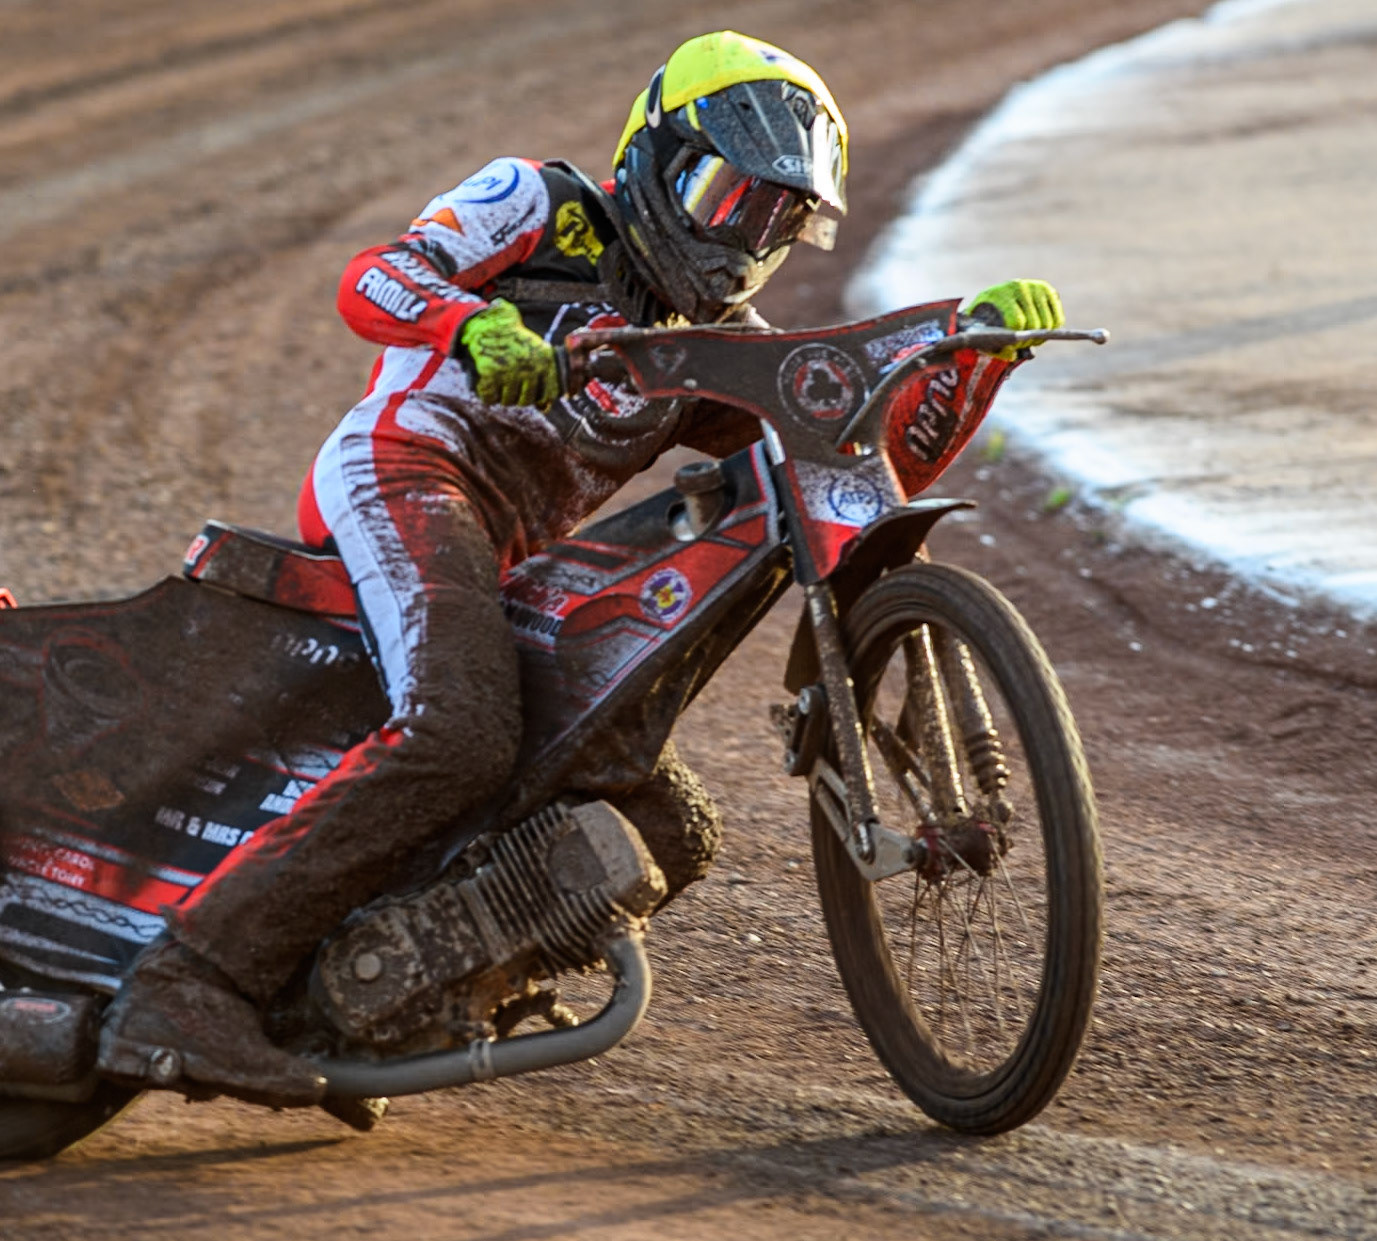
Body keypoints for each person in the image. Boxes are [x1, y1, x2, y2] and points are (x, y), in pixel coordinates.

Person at [99, 31, 1062, 1107]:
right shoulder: (536, 201)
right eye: (720, 194)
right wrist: (473, 324)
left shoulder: (715, 342)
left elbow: (840, 473)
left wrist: (975, 366)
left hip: (499, 557)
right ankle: (183, 985)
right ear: (655, 152)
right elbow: (375, 278)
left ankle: (378, 1003)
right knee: (463, 730)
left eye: (771, 221)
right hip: (404, 469)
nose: (736, 236)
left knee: (665, 824)